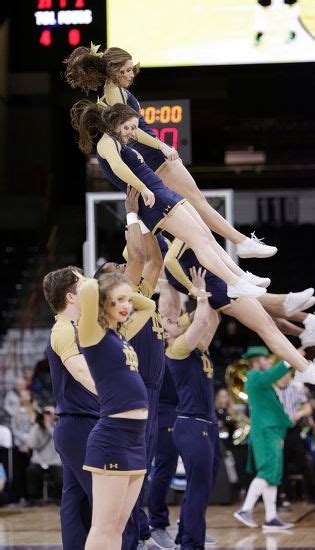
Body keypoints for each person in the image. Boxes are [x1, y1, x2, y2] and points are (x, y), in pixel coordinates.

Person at [64, 44, 277, 260]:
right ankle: (241, 243)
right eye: (126, 70)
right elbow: (132, 130)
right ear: (113, 69)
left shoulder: (108, 94)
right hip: (152, 155)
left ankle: (236, 257)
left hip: (148, 157)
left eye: (131, 69)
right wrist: (161, 145)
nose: (131, 74)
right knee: (198, 201)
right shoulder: (116, 92)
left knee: (196, 210)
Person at [70, 100, 267, 300]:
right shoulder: (107, 142)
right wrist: (143, 188)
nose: (132, 133)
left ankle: (240, 276)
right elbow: (118, 167)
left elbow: (135, 150)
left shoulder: (118, 141)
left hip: (163, 192)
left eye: (135, 128)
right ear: (115, 123)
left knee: (206, 235)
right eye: (128, 128)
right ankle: (233, 284)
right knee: (199, 241)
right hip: (155, 200)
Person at [158, 234, 315, 385]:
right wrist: (195, 290)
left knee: (267, 316)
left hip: (220, 288)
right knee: (267, 325)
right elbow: (169, 262)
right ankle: (302, 363)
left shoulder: (176, 250)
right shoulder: (180, 241)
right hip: (221, 291)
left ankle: (303, 326)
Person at [94, 188, 165, 549]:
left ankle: (140, 533)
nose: (123, 268)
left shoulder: (136, 295)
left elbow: (154, 261)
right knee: (137, 468)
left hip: (151, 390)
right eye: (115, 271)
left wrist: (153, 222)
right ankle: (136, 536)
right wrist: (134, 214)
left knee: (143, 469)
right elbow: (138, 255)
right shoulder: (121, 309)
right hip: (137, 394)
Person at [76, 270, 155, 550]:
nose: (127, 305)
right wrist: (105, 284)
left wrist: (124, 292)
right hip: (113, 437)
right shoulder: (91, 332)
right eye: (119, 300)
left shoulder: (118, 334)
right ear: (102, 301)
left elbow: (150, 306)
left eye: (127, 300)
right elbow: (87, 291)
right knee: (103, 527)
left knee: (120, 527)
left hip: (136, 438)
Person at [164, 267, 221, 550]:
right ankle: (190, 543)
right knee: (198, 487)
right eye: (169, 322)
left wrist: (206, 295)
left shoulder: (198, 347)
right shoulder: (175, 349)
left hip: (208, 423)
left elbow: (212, 320)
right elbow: (199, 324)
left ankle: (184, 534)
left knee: (204, 486)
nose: (174, 321)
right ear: (166, 334)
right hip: (191, 423)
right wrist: (198, 297)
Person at [43, 266, 100, 550]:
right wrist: (118, 397)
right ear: (70, 297)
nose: (89, 285)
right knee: (101, 502)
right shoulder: (63, 331)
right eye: (82, 284)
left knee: (75, 501)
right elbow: (80, 372)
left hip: (80, 424)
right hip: (78, 425)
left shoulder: (80, 327)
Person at [233, 346, 294, 531]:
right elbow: (273, 375)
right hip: (266, 431)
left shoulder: (260, 380)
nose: (269, 362)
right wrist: (291, 358)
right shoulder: (254, 376)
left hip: (271, 430)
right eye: (266, 359)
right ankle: (245, 509)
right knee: (268, 471)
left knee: (273, 474)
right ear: (257, 361)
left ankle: (271, 518)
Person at [276, 371, 315, 508]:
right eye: (286, 374)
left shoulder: (297, 387)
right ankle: (284, 499)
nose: (289, 376)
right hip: (278, 430)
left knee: (304, 463)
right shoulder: (272, 388)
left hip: (293, 430)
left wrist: (298, 413)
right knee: (279, 466)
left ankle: (314, 498)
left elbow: (308, 409)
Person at [148, 364, 179, 550]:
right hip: (164, 413)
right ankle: (156, 524)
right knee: (163, 469)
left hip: (185, 412)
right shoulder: (160, 356)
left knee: (199, 470)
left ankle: (191, 524)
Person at [26, 405, 63, 504]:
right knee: (31, 471)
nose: (46, 416)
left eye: (49, 414)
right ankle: (33, 499)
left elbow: (58, 440)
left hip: (54, 461)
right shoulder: (37, 428)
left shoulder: (59, 426)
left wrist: (49, 427)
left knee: (59, 477)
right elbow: (31, 444)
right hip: (39, 461)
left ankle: (59, 499)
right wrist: (35, 426)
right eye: (45, 413)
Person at [10, 389, 36, 504]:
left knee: (30, 472)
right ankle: (20, 497)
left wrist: (28, 441)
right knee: (19, 472)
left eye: (26, 395)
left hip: (32, 446)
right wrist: (23, 441)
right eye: (22, 395)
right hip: (19, 446)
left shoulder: (35, 410)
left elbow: (35, 428)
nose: (24, 397)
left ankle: (32, 496)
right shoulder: (15, 412)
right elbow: (14, 429)